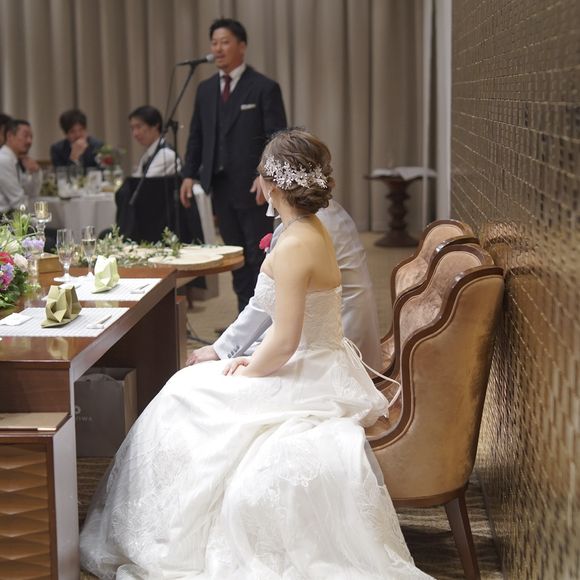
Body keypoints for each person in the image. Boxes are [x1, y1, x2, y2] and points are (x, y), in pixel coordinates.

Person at [80, 129, 431, 579]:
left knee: (185, 397)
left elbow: (284, 341)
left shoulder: (297, 243)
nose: (257, 181)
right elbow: (276, 326)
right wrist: (235, 356)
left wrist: (246, 373)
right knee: (188, 386)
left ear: (274, 183)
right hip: (312, 360)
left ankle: (173, 533)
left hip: (307, 369)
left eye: (261, 172)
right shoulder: (306, 229)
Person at [188, 198, 383, 369]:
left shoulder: (298, 234)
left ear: (272, 187)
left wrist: (220, 349)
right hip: (353, 328)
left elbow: (265, 307)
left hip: (338, 343)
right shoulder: (331, 212)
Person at [180, 18, 287, 312]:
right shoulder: (205, 90)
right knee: (235, 256)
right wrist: (189, 174)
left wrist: (265, 175)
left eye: (225, 42)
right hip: (220, 187)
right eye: (214, 43)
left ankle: (264, 319)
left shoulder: (263, 87)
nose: (218, 48)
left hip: (254, 187)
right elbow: (197, 135)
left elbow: (277, 137)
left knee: (257, 255)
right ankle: (244, 318)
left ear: (242, 46)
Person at [0, 119, 42, 215]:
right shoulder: (3, 160)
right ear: (10, 136)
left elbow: (32, 193)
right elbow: (18, 201)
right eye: (25, 136)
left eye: (31, 137)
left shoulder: (16, 159)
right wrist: (35, 218)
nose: (29, 141)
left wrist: (36, 172)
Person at [129, 105, 181, 177]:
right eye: (132, 129)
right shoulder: (147, 156)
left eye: (139, 127)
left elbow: (144, 182)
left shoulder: (165, 154)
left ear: (155, 125)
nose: (135, 133)